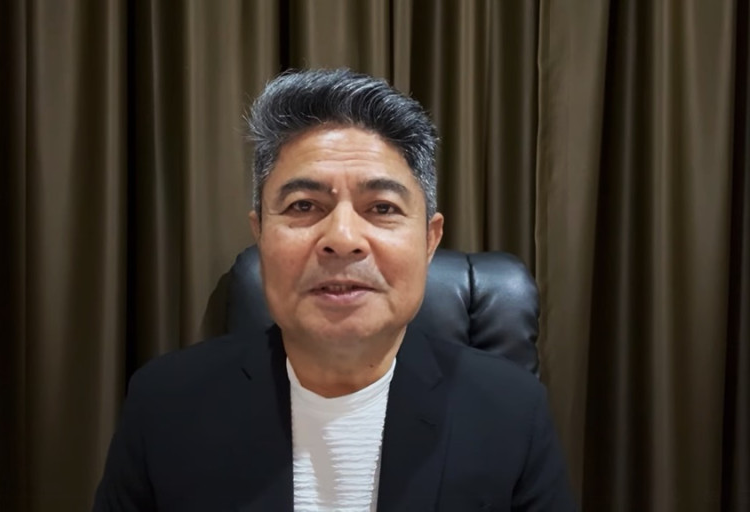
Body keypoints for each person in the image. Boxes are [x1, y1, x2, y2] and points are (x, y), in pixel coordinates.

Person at [93, 68, 576, 511]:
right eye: (304, 206)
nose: (342, 239)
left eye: (382, 208)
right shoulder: (166, 406)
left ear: (429, 241)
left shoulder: (511, 413)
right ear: (260, 234)